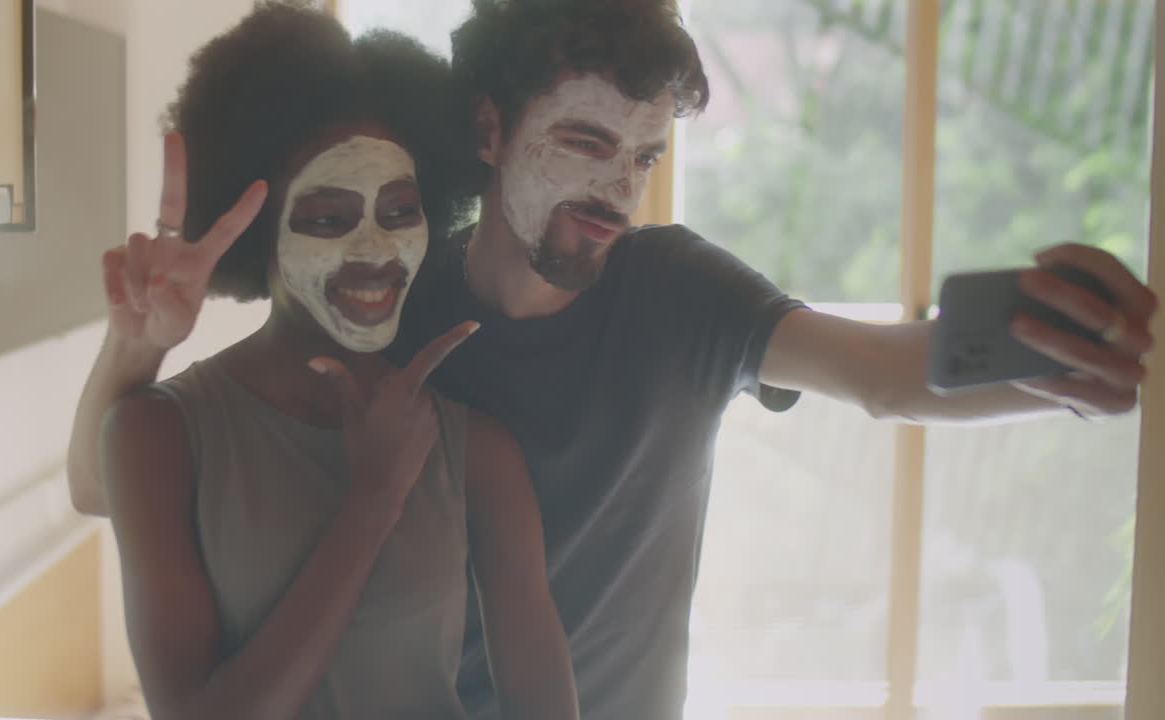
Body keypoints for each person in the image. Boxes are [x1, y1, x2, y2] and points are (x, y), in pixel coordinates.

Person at [70, 0, 1159, 718]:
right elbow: (109, 477)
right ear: (488, 132)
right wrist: (137, 346)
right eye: (586, 144)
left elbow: (880, 375)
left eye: (642, 156)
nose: (615, 194)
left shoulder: (672, 287)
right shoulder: (393, 295)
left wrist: (1052, 369)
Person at [92, 4, 578, 719]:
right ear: (256, 231)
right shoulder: (155, 435)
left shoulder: (477, 451)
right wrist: (373, 499)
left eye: (399, 211)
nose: (374, 249)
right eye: (326, 216)